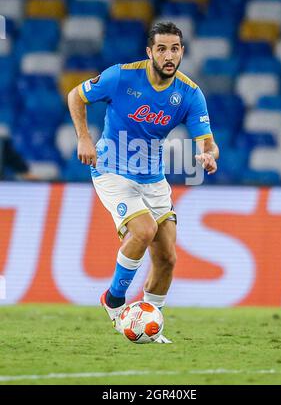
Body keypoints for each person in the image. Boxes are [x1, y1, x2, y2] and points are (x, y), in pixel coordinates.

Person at [68, 22, 219, 343]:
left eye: (175, 49)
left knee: (167, 258)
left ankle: (150, 322)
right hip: (111, 170)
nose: (169, 55)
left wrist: (208, 155)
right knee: (144, 230)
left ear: (182, 52)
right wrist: (84, 139)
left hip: (153, 178)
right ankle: (114, 300)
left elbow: (207, 142)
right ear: (149, 52)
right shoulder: (121, 76)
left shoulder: (189, 94)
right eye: (161, 49)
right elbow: (75, 96)